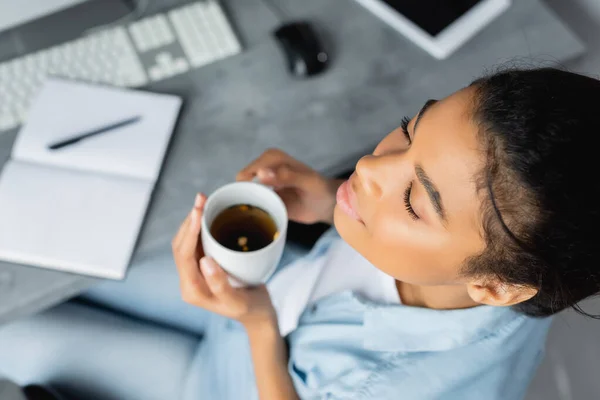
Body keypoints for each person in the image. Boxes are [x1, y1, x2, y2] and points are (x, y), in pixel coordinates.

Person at [0, 67, 599, 400]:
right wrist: (325, 200)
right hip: (263, 299)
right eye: (409, 131)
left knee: (16, 325)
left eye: (415, 199)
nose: (368, 169)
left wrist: (258, 327)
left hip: (217, 382)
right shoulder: (507, 260)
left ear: (496, 287)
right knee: (42, 252)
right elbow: (405, 189)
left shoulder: (415, 389)